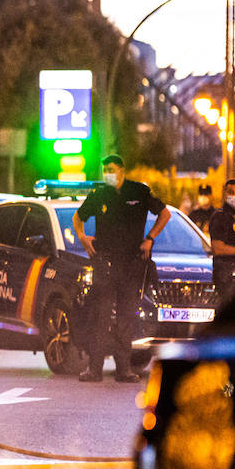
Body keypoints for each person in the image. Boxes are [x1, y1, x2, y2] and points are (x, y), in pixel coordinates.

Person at [73, 154, 170, 383]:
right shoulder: (99, 195)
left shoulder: (139, 192)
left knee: (127, 317)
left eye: (112, 168)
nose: (108, 172)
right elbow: (78, 218)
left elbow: (165, 214)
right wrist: (82, 238)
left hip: (131, 263)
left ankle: (123, 369)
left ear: (122, 170)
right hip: (105, 262)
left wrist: (150, 238)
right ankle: (94, 369)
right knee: (101, 316)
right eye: (105, 168)